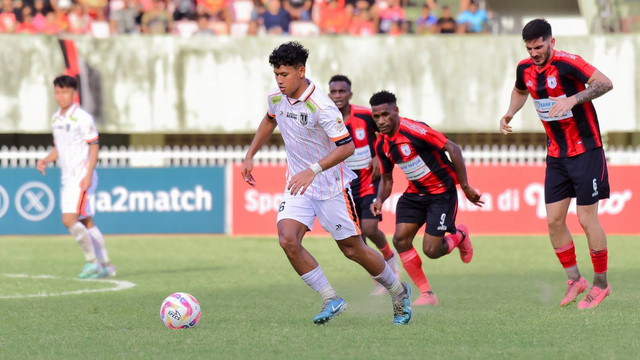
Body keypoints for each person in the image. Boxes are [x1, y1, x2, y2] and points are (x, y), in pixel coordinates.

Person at [242, 42, 411, 325]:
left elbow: (346, 147)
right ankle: (330, 298)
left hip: (330, 185)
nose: (279, 80)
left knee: (352, 249)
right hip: (298, 184)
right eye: (276, 74)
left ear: (301, 71)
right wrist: (250, 154)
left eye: (284, 74)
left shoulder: (322, 105)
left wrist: (313, 170)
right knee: (287, 239)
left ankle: (398, 291)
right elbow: (269, 120)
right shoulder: (275, 97)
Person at [499, 19, 613, 309]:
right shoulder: (524, 68)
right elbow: (520, 90)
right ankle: (576, 280)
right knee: (553, 221)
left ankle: (601, 284)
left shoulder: (568, 63)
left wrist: (574, 99)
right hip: (556, 155)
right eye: (529, 48)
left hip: (587, 151)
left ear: (552, 41)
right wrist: (510, 113)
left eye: (539, 46)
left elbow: (605, 82)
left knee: (587, 219)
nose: (535, 53)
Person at [369, 91, 483, 306]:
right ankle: (427, 295)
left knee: (432, 250)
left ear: (396, 111)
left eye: (386, 114)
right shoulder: (382, 144)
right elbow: (386, 179)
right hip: (415, 194)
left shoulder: (414, 130)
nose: (381, 121)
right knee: (400, 240)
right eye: (377, 117)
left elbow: (453, 148)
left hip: (441, 193)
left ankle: (459, 236)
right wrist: (379, 200)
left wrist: (465, 186)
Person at [37, 75, 116, 279]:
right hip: (67, 178)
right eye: (57, 91)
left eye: (65, 91)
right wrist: (46, 159)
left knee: (68, 219)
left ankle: (92, 263)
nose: (61, 96)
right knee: (87, 221)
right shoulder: (56, 118)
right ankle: (107, 265)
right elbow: (59, 148)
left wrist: (88, 175)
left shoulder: (82, 117)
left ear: (74, 93)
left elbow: (94, 145)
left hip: (81, 176)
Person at [328, 74, 400, 296]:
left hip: (369, 180)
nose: (338, 95)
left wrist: (378, 156)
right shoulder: (327, 120)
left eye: (342, 91)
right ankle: (380, 278)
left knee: (369, 228)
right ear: (329, 95)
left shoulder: (364, 115)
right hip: (344, 184)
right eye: (334, 92)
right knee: (357, 239)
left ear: (350, 94)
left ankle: (390, 261)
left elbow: (384, 132)